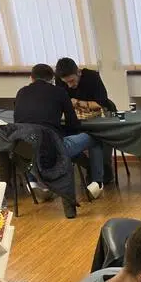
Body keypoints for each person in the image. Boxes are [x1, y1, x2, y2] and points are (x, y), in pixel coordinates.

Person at [14, 63, 104, 199]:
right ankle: (97, 183)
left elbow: (18, 122)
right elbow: (73, 124)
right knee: (95, 137)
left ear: (31, 78)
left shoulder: (21, 92)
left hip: (24, 149)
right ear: (52, 79)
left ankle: (32, 183)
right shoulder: (59, 92)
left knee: (29, 141)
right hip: (54, 148)